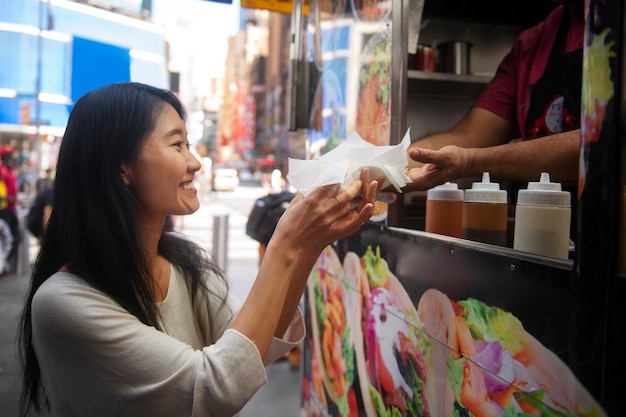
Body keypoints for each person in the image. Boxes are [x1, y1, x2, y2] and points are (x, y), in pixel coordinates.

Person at [18, 82, 381, 417]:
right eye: (177, 145)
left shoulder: (184, 264)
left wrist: (311, 243)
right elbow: (215, 385)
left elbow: (255, 349)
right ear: (122, 168)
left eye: (188, 144)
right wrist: (283, 245)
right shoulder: (62, 302)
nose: (194, 162)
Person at [404, 0, 584, 193]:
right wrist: (386, 165)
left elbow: (599, 148)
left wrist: (469, 161)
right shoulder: (531, 45)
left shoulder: (617, 23)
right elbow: (470, 136)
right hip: (534, 217)